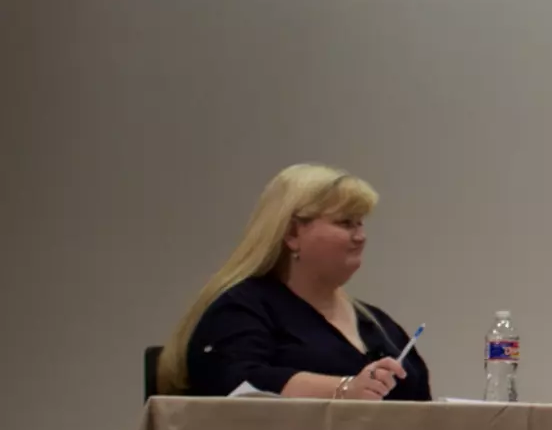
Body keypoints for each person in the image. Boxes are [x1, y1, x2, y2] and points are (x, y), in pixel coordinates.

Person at [160, 164, 431, 401]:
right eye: (345, 223)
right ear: (292, 233)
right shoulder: (240, 311)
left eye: (360, 223)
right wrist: (345, 389)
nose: (360, 237)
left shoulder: (380, 326)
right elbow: (238, 384)